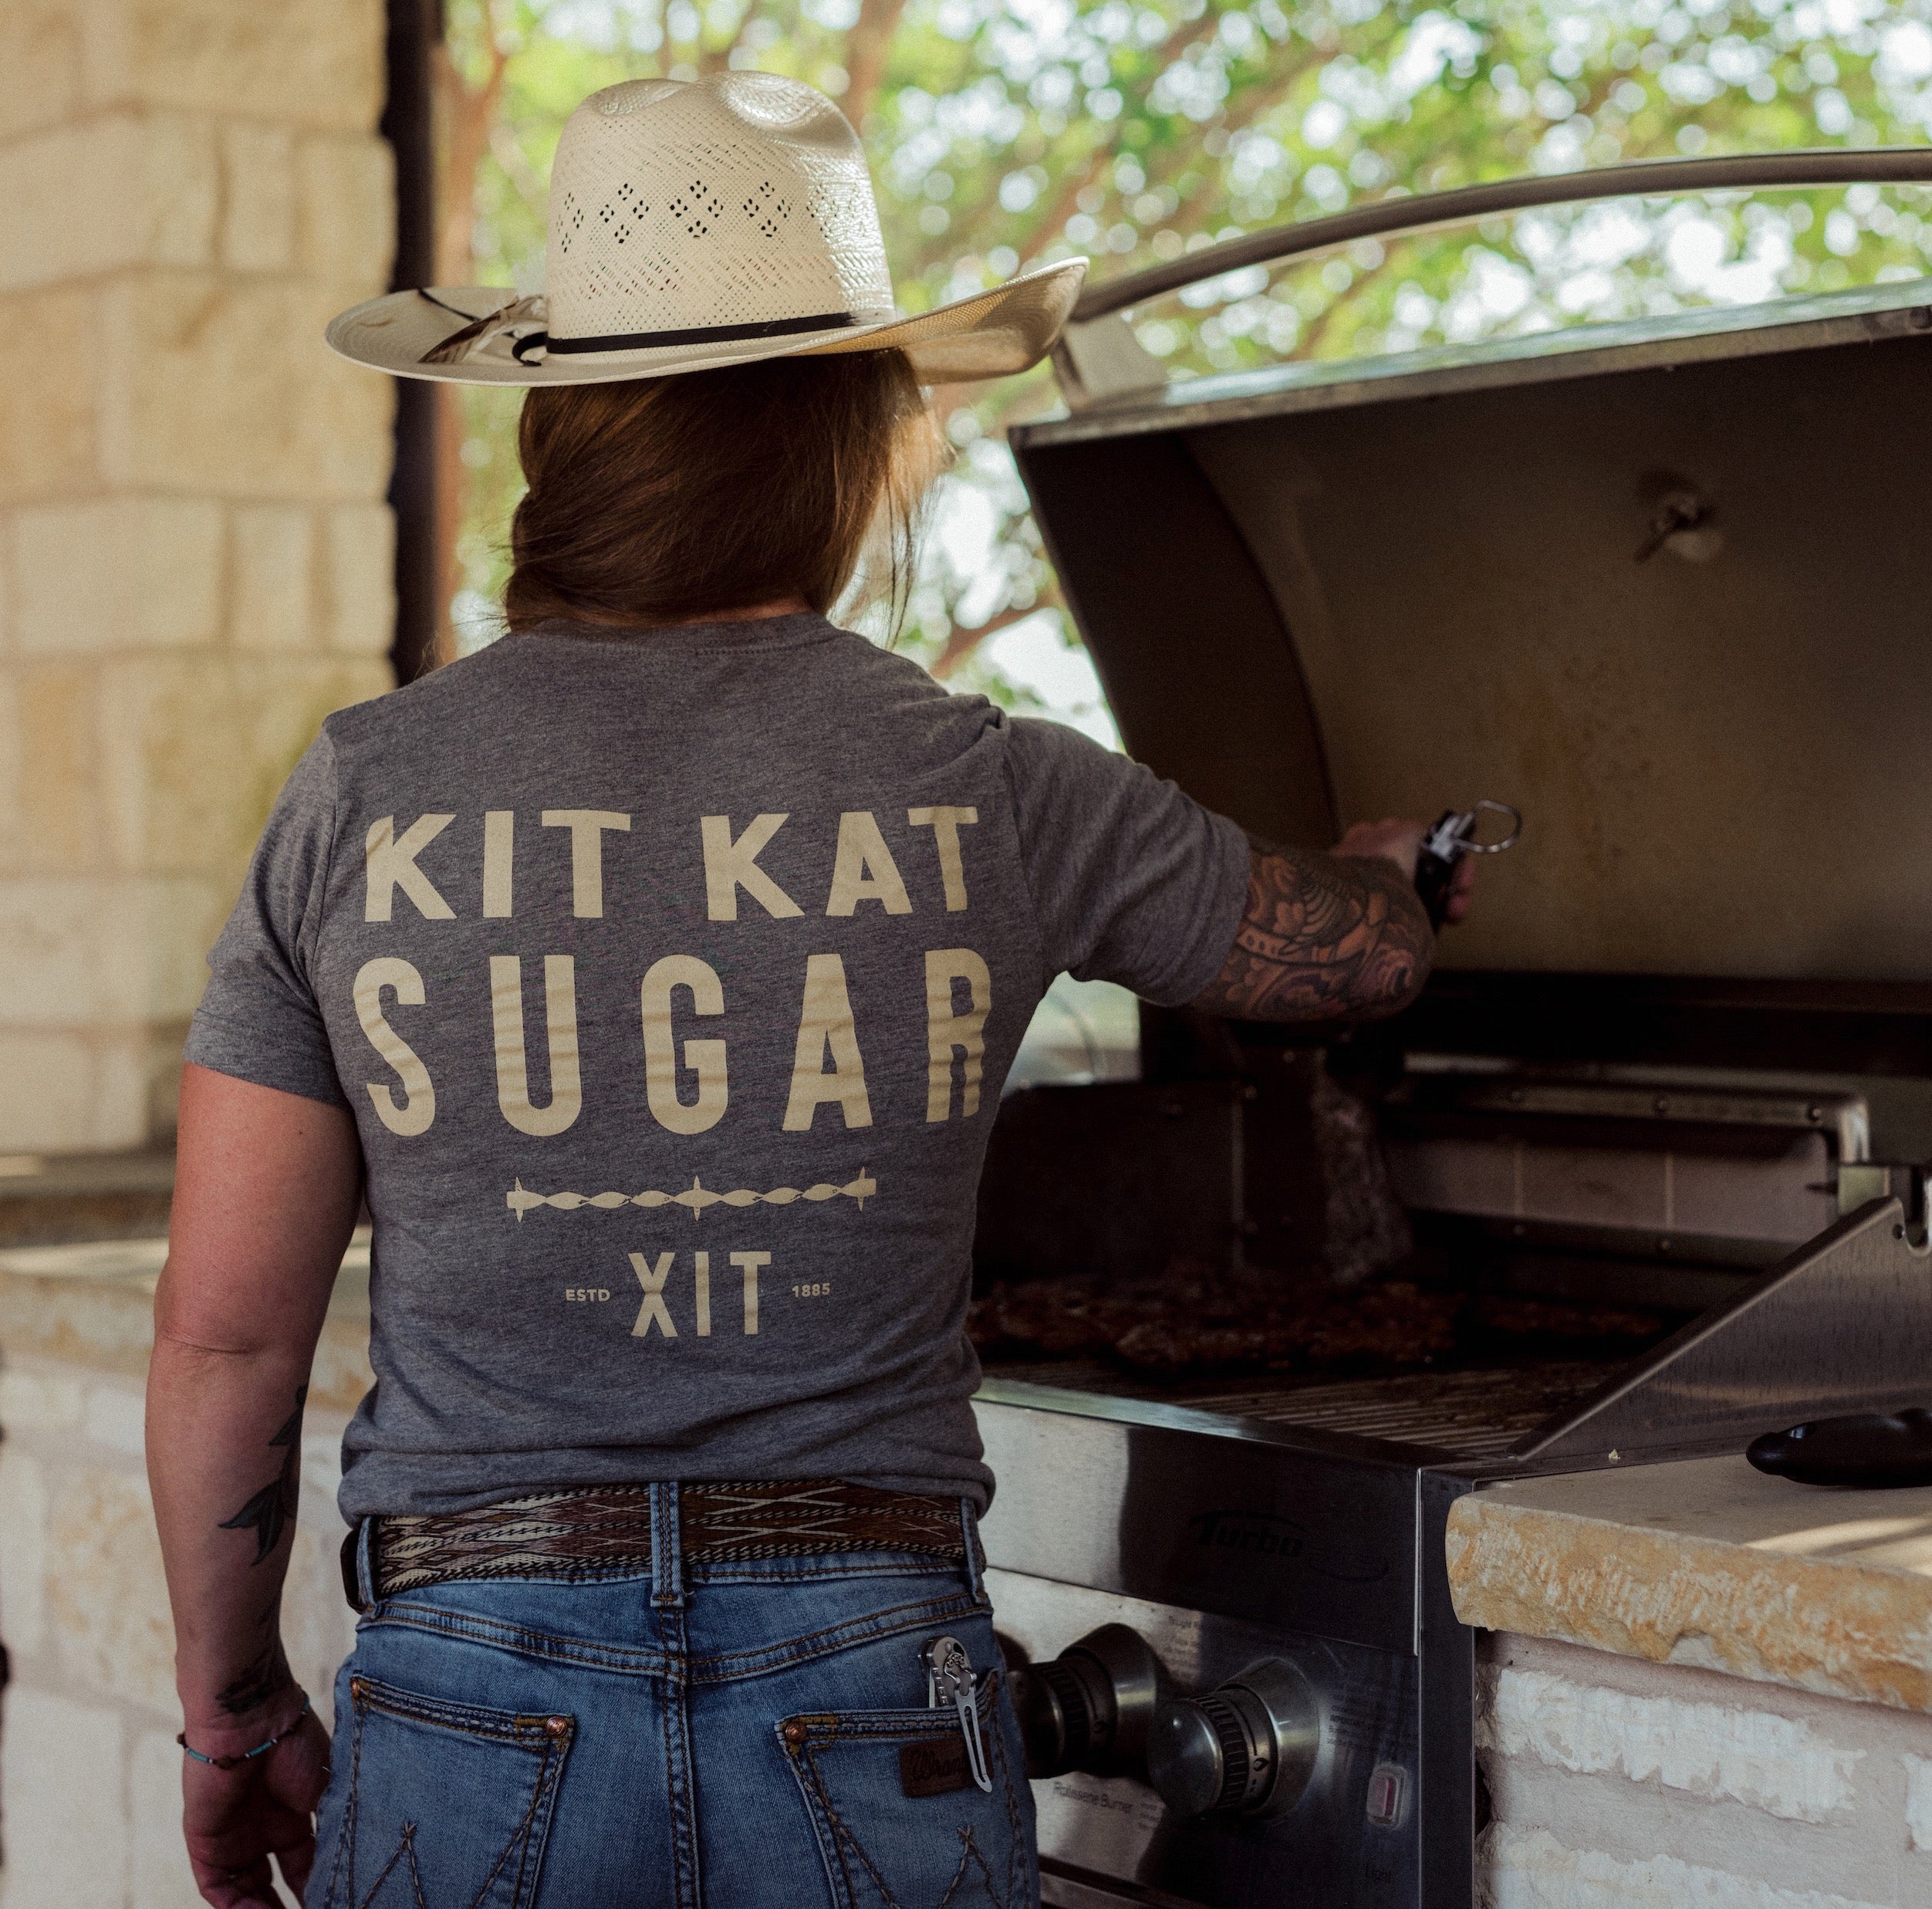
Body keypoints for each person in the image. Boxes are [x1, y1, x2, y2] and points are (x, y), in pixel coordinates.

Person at [146, 73, 1474, 1909]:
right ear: (851, 442)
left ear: (567, 430)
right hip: (875, 1691)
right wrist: (1393, 868)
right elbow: (1354, 961)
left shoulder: (364, 796)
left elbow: (226, 1339)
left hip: (473, 1692)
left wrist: (230, 1718)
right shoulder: (992, 783)